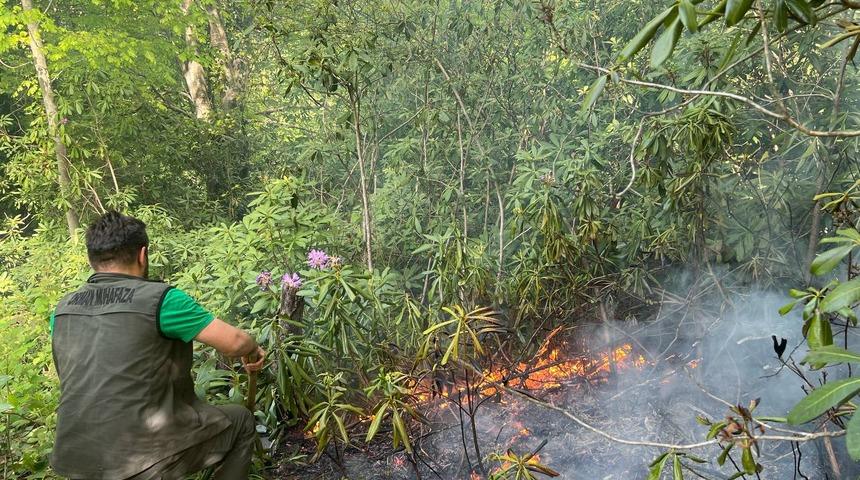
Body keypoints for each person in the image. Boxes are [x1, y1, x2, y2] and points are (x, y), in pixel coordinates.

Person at [49, 211, 266, 480]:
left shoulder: (61, 310)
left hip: (75, 457)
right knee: (241, 421)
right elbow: (234, 343)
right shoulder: (161, 300)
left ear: (90, 260)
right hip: (139, 460)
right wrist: (253, 348)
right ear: (143, 255)